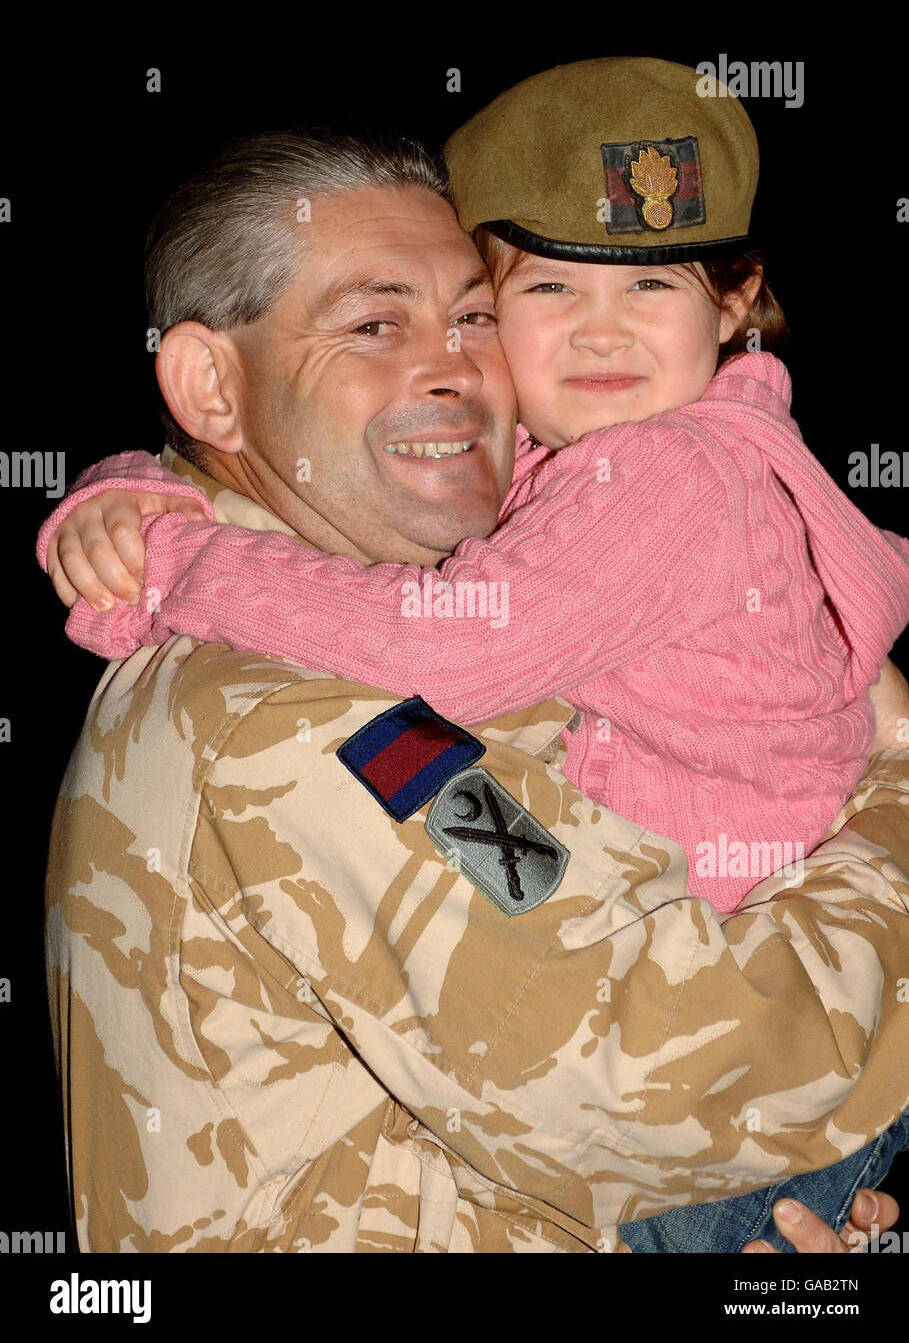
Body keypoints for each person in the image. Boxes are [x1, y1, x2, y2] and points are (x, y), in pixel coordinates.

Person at [37, 123, 909, 1254]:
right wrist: (894, 791)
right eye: (374, 324)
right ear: (209, 381)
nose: (452, 367)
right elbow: (669, 1067)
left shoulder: (391, 602)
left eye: (476, 318)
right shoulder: (298, 709)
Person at [38, 60, 909, 918]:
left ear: (733, 303)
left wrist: (177, 561)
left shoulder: (668, 472)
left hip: (714, 925)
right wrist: (134, 485)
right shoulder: (605, 442)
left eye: (649, 283)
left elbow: (443, 653)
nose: (601, 336)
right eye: (549, 287)